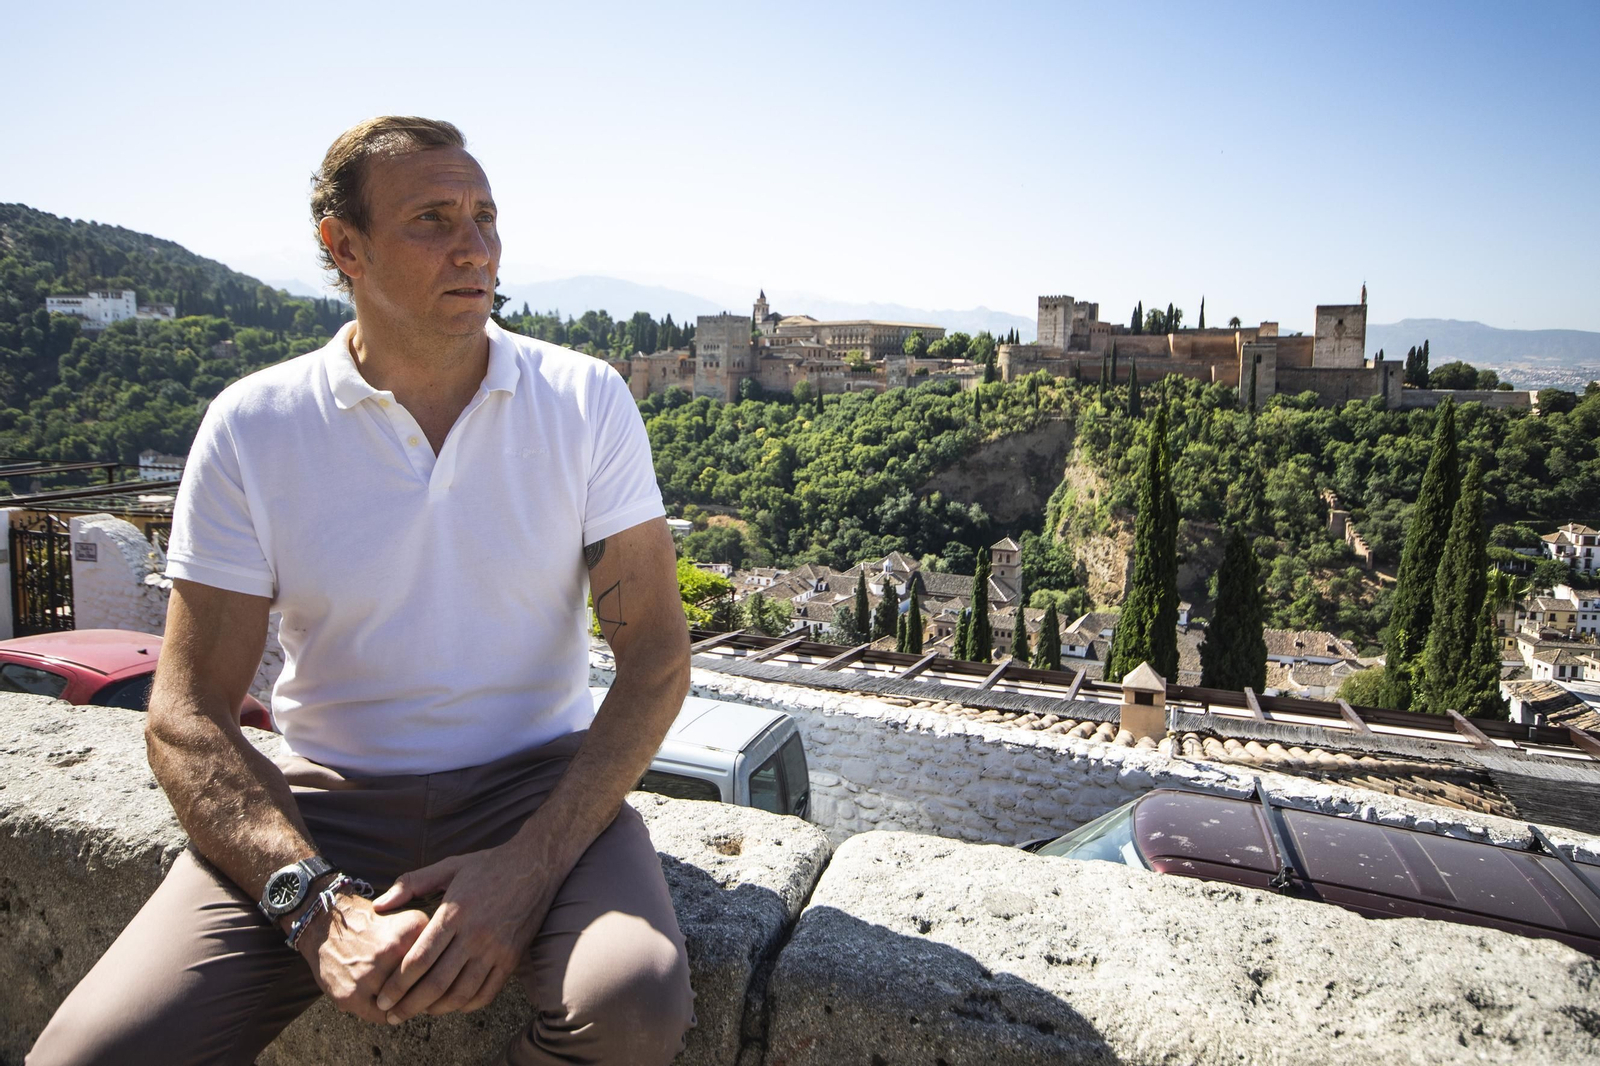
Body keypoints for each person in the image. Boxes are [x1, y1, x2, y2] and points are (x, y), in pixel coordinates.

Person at [29, 116, 696, 1066]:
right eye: (433, 219)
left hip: (537, 789)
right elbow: (183, 713)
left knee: (629, 1006)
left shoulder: (584, 401)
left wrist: (527, 868)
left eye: (485, 217)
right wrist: (311, 904)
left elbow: (656, 659)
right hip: (322, 801)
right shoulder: (254, 426)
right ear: (343, 247)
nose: (475, 249)